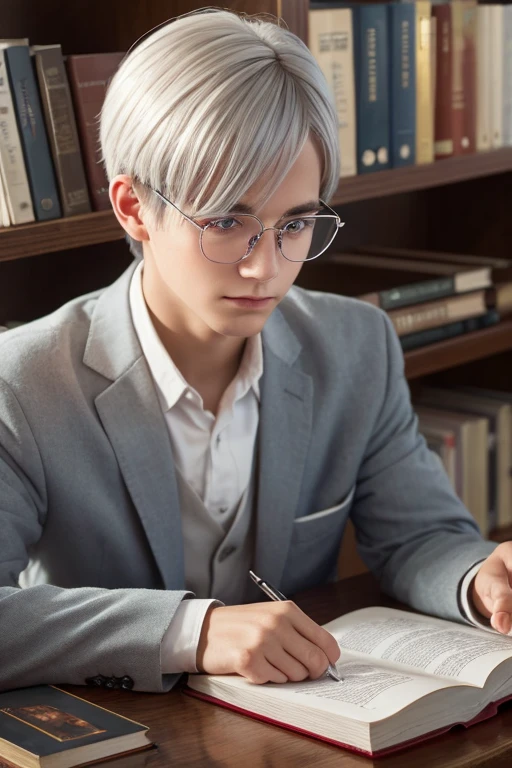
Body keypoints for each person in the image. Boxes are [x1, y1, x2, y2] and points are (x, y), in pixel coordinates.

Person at [0, 8, 510, 695]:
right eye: (225, 221)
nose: (264, 268)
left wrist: (480, 580)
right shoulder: (23, 384)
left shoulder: (355, 346)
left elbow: (421, 539)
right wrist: (195, 631)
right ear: (132, 208)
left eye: (295, 223)